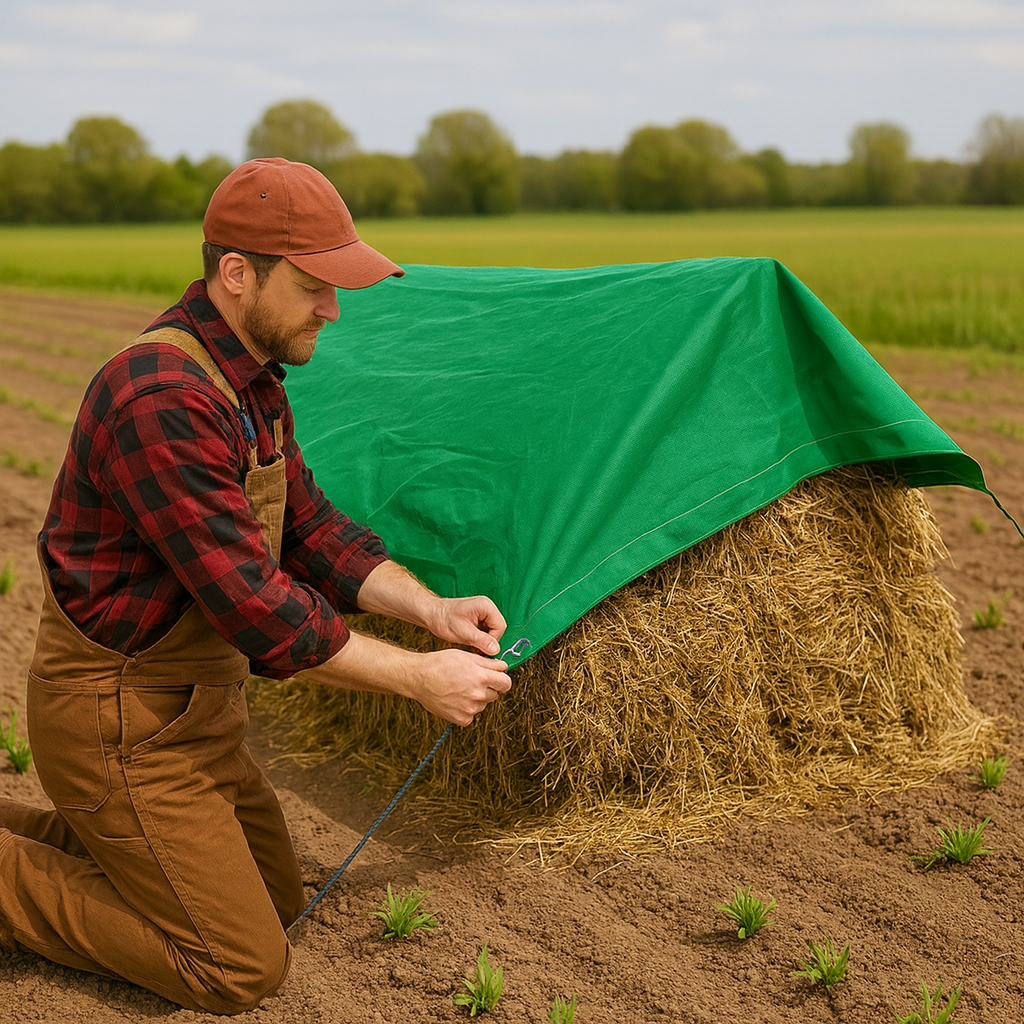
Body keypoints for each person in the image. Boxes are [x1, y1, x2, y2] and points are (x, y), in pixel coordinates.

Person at [0, 158, 512, 1014]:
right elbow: (258, 611)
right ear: (237, 273)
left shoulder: (250, 383)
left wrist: (433, 611)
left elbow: (313, 532)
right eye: (314, 286)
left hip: (195, 719)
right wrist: (419, 678)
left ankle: (98, 840)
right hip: (120, 726)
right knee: (238, 964)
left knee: (275, 902)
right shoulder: (161, 397)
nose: (332, 308)